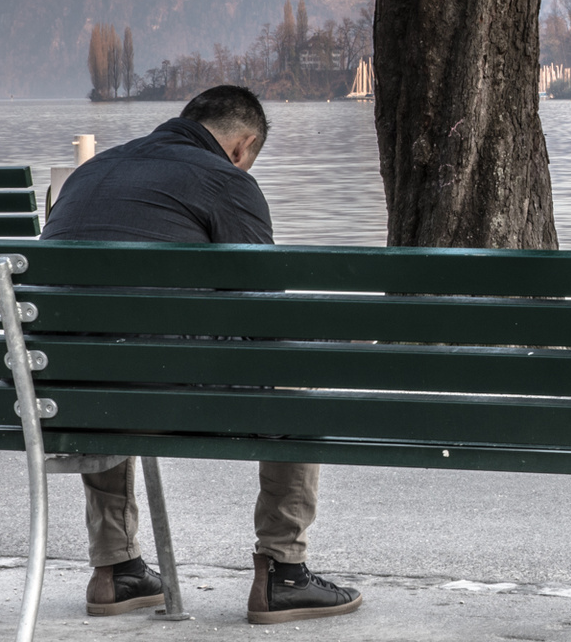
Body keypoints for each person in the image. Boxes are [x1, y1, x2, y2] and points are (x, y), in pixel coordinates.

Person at [41, 86, 363, 624]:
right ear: (242, 146)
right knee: (295, 377)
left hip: (63, 394)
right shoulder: (226, 180)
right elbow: (265, 314)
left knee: (100, 357)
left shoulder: (90, 173)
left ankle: (116, 569)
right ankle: (284, 573)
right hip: (165, 396)